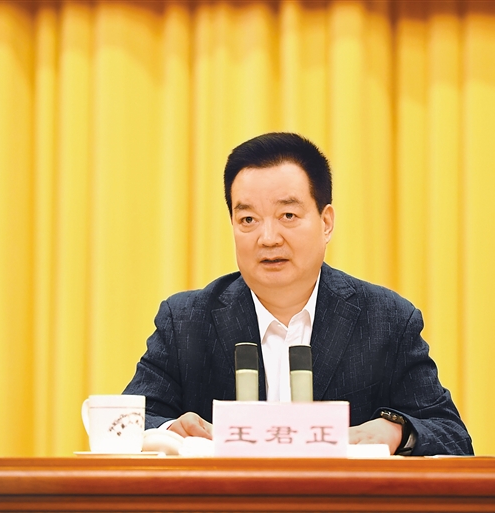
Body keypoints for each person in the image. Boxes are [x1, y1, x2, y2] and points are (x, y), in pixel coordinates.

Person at [123, 132, 473, 455]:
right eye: (248, 220)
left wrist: (396, 430)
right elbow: (129, 424)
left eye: (287, 215)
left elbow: (453, 438)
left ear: (326, 222)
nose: (268, 238)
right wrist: (170, 431)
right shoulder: (186, 321)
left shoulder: (386, 319)